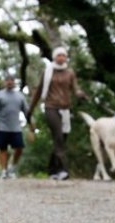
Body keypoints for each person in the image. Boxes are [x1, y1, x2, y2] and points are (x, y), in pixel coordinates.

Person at [27, 46, 88, 180]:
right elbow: (38, 92)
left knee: (61, 140)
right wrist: (30, 110)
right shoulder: (48, 72)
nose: (61, 58)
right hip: (51, 107)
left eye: (63, 56)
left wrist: (80, 94)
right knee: (58, 136)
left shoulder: (70, 73)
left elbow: (75, 88)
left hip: (65, 108)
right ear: (54, 57)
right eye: (58, 55)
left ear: (66, 58)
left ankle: (52, 170)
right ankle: (64, 170)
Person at [0, 74, 29, 179]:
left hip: (16, 127)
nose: (9, 82)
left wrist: (32, 125)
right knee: (3, 149)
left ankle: (12, 167)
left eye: (11, 80)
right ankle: (3, 171)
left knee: (19, 148)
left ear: (14, 82)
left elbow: (26, 111)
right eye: (7, 80)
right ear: (4, 82)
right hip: (2, 127)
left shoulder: (20, 96)